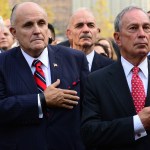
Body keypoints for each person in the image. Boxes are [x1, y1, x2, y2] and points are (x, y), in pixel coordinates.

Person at [0, 2, 89, 150]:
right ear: (13, 32)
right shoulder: (3, 64)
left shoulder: (75, 59)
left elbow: (88, 109)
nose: (37, 31)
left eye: (41, 23)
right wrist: (41, 100)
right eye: (28, 25)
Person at [81, 6, 150, 150]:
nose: (142, 34)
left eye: (147, 27)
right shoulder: (96, 81)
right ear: (117, 38)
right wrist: (137, 123)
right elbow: (90, 132)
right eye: (133, 28)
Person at [66, 7, 114, 72]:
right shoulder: (58, 65)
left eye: (90, 25)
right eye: (79, 25)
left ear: (97, 33)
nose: (86, 30)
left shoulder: (111, 67)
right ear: (69, 34)